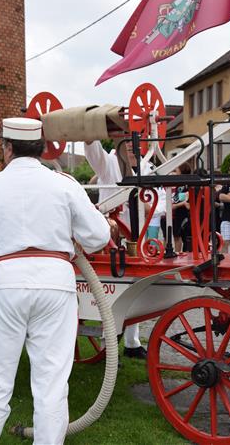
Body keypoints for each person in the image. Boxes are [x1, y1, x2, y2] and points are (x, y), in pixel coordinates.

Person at [0, 118, 109, 445]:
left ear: (7, 148)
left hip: (4, 284)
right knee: (51, 385)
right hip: (55, 284)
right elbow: (98, 236)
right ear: (40, 148)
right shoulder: (64, 183)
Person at [84, 138, 152, 359]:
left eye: (136, 142)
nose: (132, 146)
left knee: (137, 288)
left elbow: (155, 201)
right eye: (128, 142)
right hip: (112, 237)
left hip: (136, 237)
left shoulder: (146, 166)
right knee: (112, 293)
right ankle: (108, 348)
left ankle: (132, 343)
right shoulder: (109, 162)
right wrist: (90, 136)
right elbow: (95, 155)